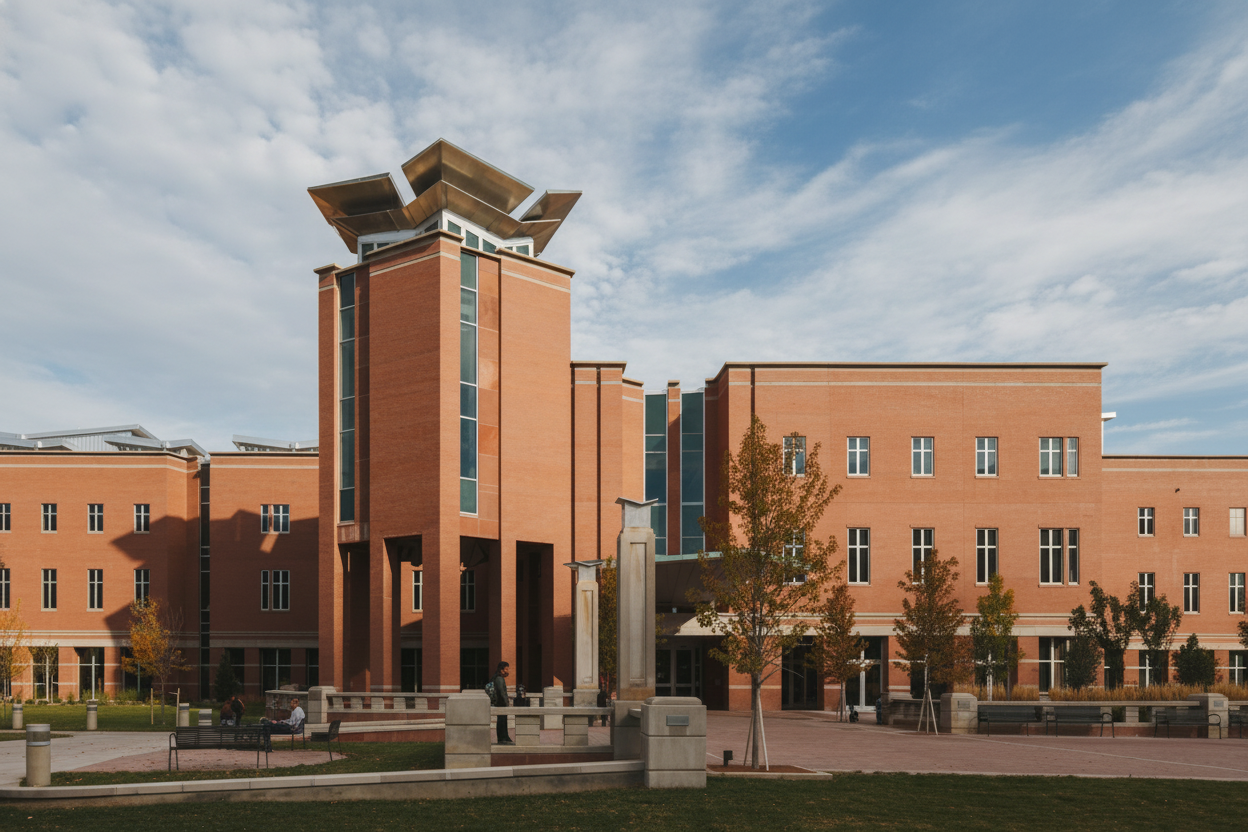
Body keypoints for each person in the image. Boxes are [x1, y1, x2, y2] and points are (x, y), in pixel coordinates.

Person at [490, 662, 512, 745]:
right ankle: (503, 738)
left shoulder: (496, 677)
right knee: (502, 720)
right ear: (501, 670)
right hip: (501, 703)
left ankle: (504, 737)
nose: (507, 671)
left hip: (500, 703)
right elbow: (501, 692)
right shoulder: (499, 679)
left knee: (502, 720)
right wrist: (506, 702)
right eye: (506, 669)